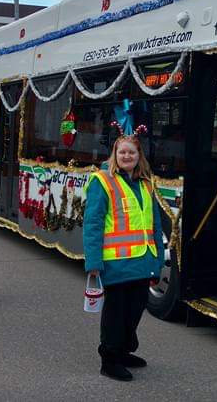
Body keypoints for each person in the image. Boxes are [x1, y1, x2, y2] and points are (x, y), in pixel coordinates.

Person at [83, 135, 165, 382]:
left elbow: (155, 225)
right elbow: (93, 223)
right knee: (116, 313)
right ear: (115, 156)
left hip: (142, 262)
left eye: (131, 153)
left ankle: (124, 351)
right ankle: (109, 359)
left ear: (139, 156)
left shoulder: (146, 184)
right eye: (122, 153)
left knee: (135, 310)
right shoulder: (102, 181)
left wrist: (158, 259)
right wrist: (94, 263)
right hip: (116, 263)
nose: (126, 156)